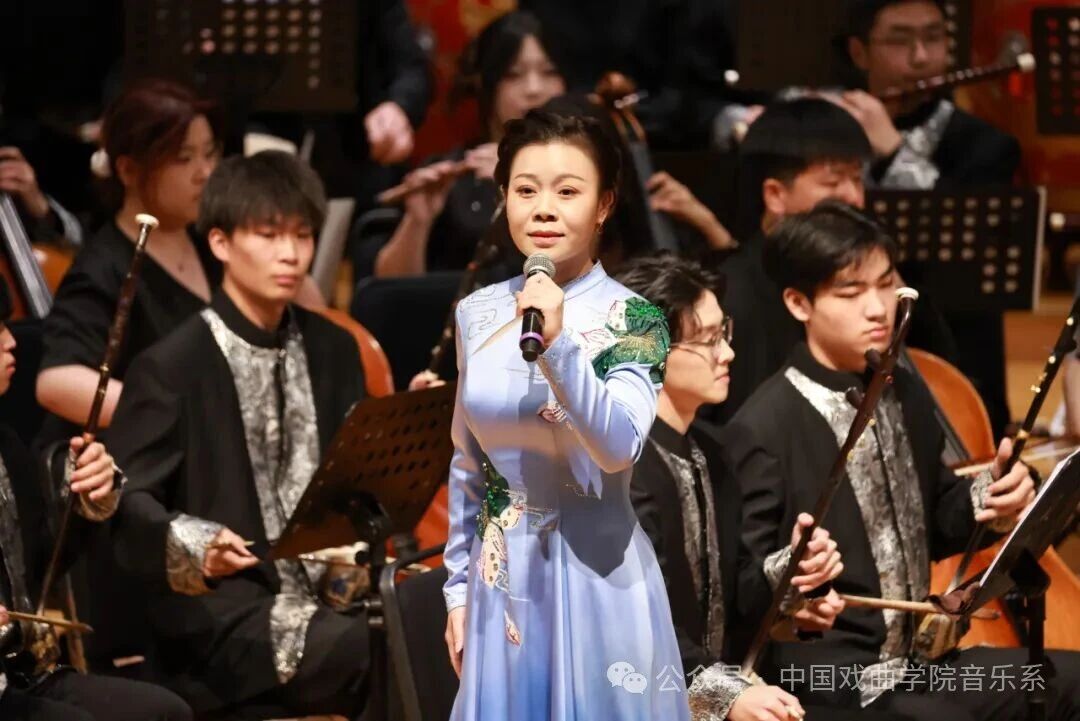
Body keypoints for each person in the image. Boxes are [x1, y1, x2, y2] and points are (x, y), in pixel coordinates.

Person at [724, 201, 1080, 719]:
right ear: (799, 303)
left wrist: (993, 496)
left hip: (920, 665)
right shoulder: (763, 425)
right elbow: (742, 595)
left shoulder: (902, 390)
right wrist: (794, 575)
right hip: (828, 680)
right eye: (851, 292)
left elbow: (939, 521)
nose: (877, 307)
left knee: (1069, 679)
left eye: (886, 283)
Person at [441, 110, 688, 719]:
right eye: (526, 190)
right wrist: (457, 591)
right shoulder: (476, 313)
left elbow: (618, 448)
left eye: (568, 192)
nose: (544, 210)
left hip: (600, 583)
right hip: (500, 587)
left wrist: (558, 348)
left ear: (604, 205)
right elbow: (468, 464)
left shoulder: (636, 319)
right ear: (503, 198)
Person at [108, 151, 369, 717]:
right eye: (269, 235)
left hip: (336, 593)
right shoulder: (172, 366)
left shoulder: (335, 348)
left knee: (434, 615)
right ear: (221, 243)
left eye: (302, 235)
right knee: (377, 648)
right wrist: (198, 543)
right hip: (225, 621)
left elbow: (359, 482)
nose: (290, 253)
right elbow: (126, 501)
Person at [617, 254, 868, 721]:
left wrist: (792, 573)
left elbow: (735, 594)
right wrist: (726, 696)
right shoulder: (619, 467)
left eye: (724, 333)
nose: (728, 353)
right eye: (709, 340)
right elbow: (632, 622)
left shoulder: (716, 450)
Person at [0, 277, 192, 721]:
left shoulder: (6, 444)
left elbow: (42, 569)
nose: (12, 342)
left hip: (22, 670)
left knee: (165, 712)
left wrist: (85, 497)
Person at [840, 0, 1021, 436]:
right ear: (860, 53)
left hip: (956, 350)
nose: (921, 57)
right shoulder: (832, 131)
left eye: (934, 38)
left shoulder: (987, 146)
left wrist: (894, 152)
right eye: (900, 41)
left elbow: (969, 255)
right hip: (846, 352)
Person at [704, 97, 873, 426]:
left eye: (857, 179)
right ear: (775, 195)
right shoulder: (730, 296)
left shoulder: (858, 276)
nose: (854, 198)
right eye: (833, 182)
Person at [370, 11, 566, 280]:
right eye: (513, 75)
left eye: (549, 72)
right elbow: (393, 293)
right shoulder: (455, 176)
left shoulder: (590, 177)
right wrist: (418, 222)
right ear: (488, 85)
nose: (534, 89)